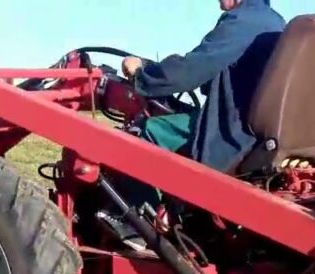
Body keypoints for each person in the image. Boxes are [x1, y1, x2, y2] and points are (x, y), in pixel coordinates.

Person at [97, 0, 286, 250]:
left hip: (232, 130)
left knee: (142, 132)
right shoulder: (274, 22)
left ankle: (142, 226)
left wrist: (142, 74)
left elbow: (190, 70)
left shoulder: (243, 21)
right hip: (251, 127)